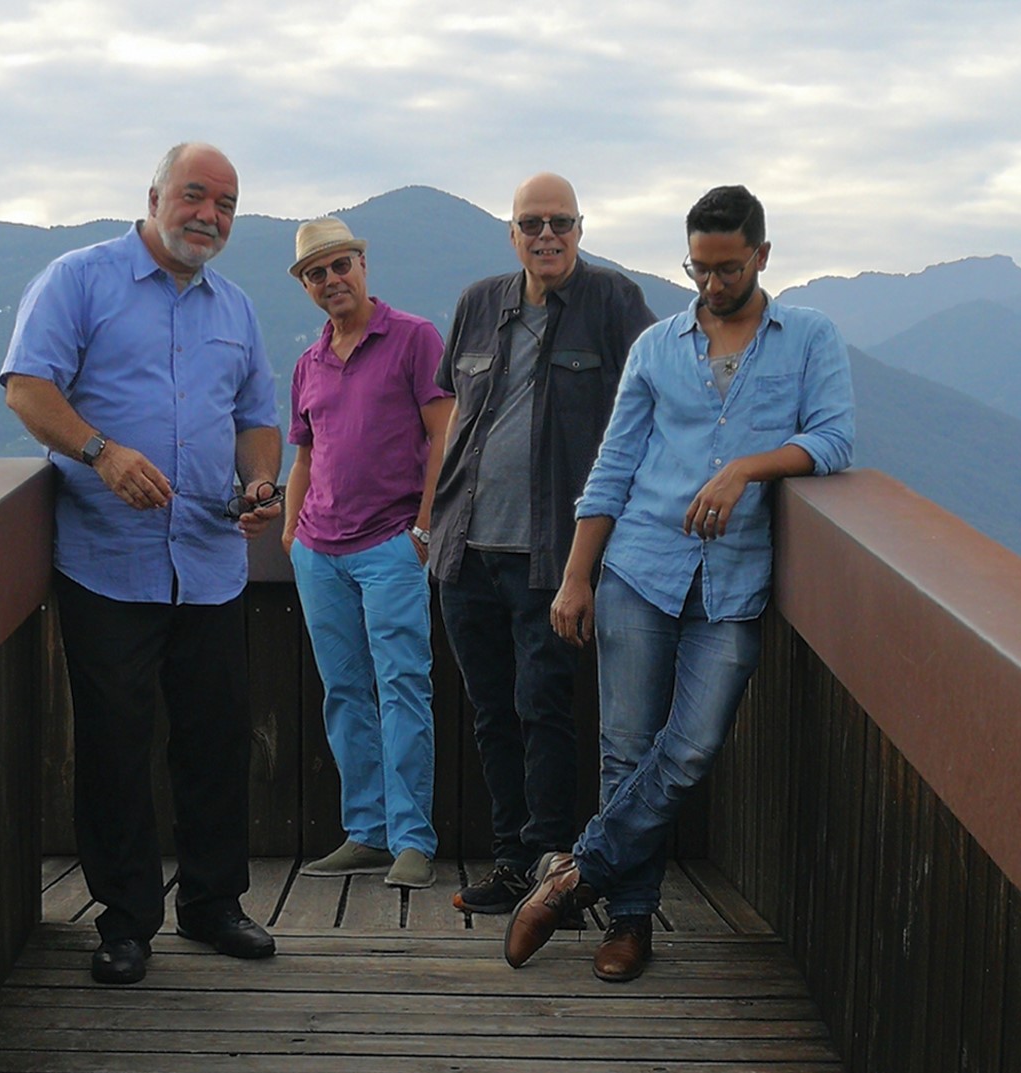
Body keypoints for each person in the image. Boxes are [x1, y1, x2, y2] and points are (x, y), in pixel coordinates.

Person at [503, 185, 855, 981]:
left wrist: (747, 469)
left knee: (691, 748)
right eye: (699, 269)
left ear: (762, 256)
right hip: (640, 567)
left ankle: (574, 878)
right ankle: (629, 923)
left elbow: (835, 439)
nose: (712, 284)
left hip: (734, 585)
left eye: (728, 269)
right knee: (626, 750)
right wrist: (576, 578)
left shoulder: (809, 338)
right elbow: (614, 467)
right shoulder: (657, 348)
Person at [0, 142, 282, 986]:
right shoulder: (78, 279)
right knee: (115, 748)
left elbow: (256, 418)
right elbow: (27, 387)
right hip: (107, 563)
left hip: (210, 562)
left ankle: (213, 905)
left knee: (216, 742)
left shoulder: (236, 307)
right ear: (155, 196)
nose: (209, 216)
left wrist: (260, 481)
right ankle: (125, 923)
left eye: (225, 205)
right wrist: (102, 453)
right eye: (195, 196)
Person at [428, 173, 657, 915]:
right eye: (532, 223)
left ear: (581, 229)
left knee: (544, 708)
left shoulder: (613, 302)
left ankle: (550, 862)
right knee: (492, 712)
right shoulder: (477, 304)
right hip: (465, 552)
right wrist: (430, 521)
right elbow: (453, 420)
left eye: (560, 222)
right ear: (512, 233)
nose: (546, 235)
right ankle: (511, 864)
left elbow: (658, 406)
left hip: (553, 557)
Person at [280, 218, 454, 889]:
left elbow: (444, 435)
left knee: (403, 685)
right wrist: (291, 533)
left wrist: (424, 529)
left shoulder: (414, 337)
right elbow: (304, 455)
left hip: (391, 544)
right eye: (315, 273)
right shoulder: (308, 363)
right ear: (306, 286)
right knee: (346, 693)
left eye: (339, 265)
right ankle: (367, 832)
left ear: (362, 264)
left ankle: (412, 840)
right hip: (318, 553)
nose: (331, 280)